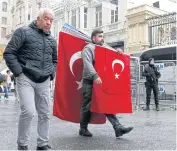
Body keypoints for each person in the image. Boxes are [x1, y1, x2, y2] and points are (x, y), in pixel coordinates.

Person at [3, 8, 57, 150]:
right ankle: (22, 144)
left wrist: (52, 73)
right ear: (38, 18)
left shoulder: (52, 40)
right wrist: (19, 72)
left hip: (44, 80)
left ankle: (43, 143)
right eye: (46, 19)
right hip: (26, 77)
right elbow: (9, 53)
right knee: (28, 111)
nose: (49, 22)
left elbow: (55, 61)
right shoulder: (23, 32)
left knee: (45, 113)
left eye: (51, 20)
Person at [80, 29, 133, 138]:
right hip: (90, 81)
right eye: (99, 36)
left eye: (102, 36)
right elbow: (87, 64)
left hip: (101, 81)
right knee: (87, 106)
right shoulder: (88, 48)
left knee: (105, 103)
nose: (102, 38)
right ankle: (83, 128)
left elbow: (112, 56)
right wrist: (95, 75)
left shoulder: (104, 47)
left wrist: (118, 51)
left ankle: (117, 127)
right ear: (93, 38)